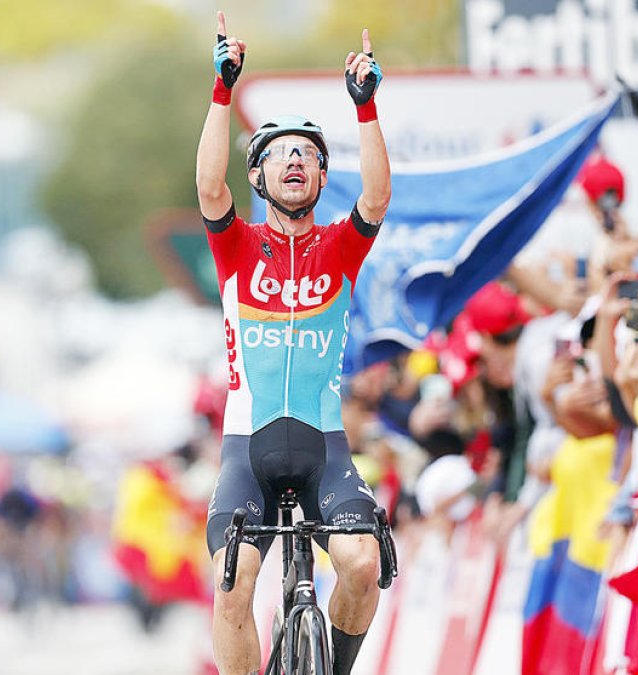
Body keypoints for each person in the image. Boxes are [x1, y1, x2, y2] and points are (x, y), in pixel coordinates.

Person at [196, 13, 390, 675]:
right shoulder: (237, 245)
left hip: (324, 446)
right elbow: (207, 188)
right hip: (246, 448)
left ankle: (335, 669)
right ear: (260, 177)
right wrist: (223, 91)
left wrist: (364, 108)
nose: (296, 160)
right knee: (233, 587)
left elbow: (378, 195)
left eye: (307, 153)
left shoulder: (338, 247)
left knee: (362, 564)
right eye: (280, 153)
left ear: (318, 175)